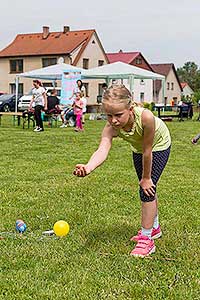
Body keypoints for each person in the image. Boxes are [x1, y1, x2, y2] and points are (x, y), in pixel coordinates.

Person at [73, 84, 171, 258]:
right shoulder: (111, 127)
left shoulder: (146, 118)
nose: (113, 120)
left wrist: (146, 177)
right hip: (138, 149)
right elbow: (103, 149)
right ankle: (154, 228)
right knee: (148, 188)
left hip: (158, 145)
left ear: (130, 108)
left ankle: (147, 240)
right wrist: (88, 167)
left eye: (118, 115)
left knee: (146, 188)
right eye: (109, 115)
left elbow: (148, 150)